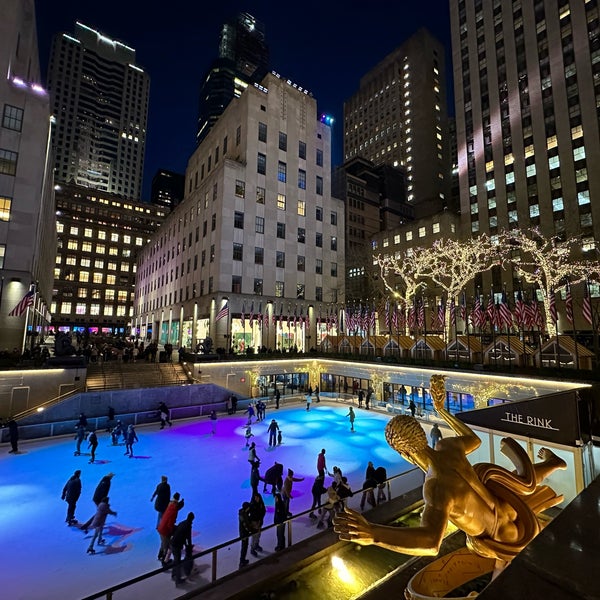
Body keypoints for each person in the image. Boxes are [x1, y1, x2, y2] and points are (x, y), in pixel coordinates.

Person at [334, 374, 568, 564]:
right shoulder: (448, 446)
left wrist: (374, 534)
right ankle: (553, 463)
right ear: (421, 434)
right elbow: (473, 439)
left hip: (500, 537)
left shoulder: (436, 487)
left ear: (401, 453)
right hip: (506, 509)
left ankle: (552, 465)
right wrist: (441, 410)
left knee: (492, 481)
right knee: (500, 479)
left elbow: (431, 543)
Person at [157, 492, 185, 563]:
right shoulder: (174, 511)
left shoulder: (171, 505)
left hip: (161, 527)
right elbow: (170, 523)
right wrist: (171, 531)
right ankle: (164, 561)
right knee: (166, 546)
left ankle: (160, 555)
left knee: (163, 543)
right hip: (164, 530)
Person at [170, 512, 195, 585]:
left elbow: (179, 532)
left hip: (173, 542)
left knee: (176, 560)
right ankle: (178, 579)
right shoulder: (188, 526)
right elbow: (188, 538)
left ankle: (174, 574)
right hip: (176, 545)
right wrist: (189, 547)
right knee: (178, 562)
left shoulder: (182, 523)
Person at [248, 492, 266, 556]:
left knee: (258, 534)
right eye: (255, 498)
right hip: (254, 522)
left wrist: (260, 519)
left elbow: (264, 511)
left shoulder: (261, 504)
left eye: (257, 498)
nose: (256, 499)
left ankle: (256, 545)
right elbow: (250, 513)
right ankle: (252, 548)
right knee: (254, 536)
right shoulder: (252, 505)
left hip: (259, 522)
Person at [238, 501, 253, 568]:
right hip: (244, 534)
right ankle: (242, 561)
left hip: (244, 533)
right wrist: (251, 530)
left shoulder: (244, 514)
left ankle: (243, 560)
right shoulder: (243, 516)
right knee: (244, 547)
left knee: (245, 546)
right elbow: (245, 526)